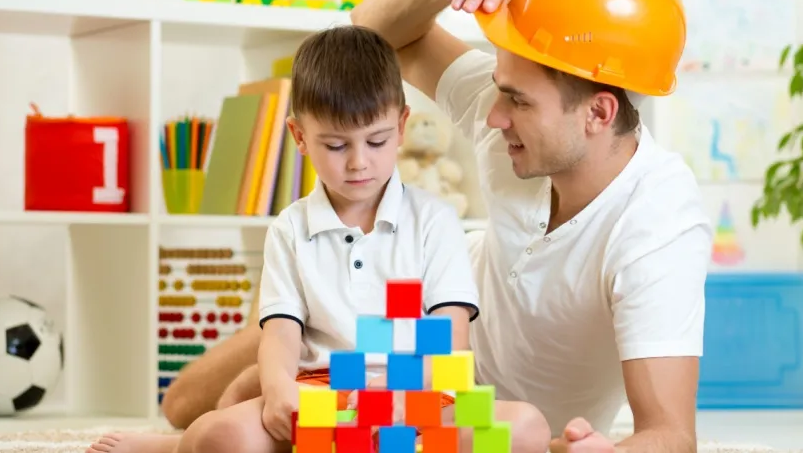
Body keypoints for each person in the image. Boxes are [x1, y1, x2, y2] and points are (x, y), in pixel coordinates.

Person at [85, 25, 508, 453]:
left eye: (376, 141)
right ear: (300, 136)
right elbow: (280, 335)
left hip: (419, 394)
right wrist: (278, 389)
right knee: (218, 434)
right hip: (324, 392)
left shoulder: (435, 221)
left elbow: (450, 338)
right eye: (336, 145)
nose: (359, 163)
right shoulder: (291, 228)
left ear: (401, 127)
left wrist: (398, 395)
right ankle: (173, 448)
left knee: (523, 427)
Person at [350, 0, 711, 451]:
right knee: (272, 352)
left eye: (518, 101)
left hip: (508, 428)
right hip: (426, 332)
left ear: (598, 113)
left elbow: (671, 435)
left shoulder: (659, 222)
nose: (496, 116)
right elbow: (371, 31)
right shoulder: (517, 114)